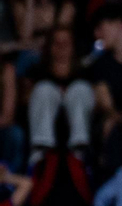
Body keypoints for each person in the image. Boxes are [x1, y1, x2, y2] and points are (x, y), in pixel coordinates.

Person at [28, 27, 95, 155]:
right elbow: (26, 98)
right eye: (57, 43)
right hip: (45, 132)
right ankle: (41, 153)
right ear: (50, 47)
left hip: (78, 131)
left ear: (73, 46)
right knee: (44, 89)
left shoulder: (84, 72)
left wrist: (68, 96)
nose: (61, 48)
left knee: (80, 89)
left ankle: (80, 151)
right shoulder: (38, 71)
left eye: (66, 43)